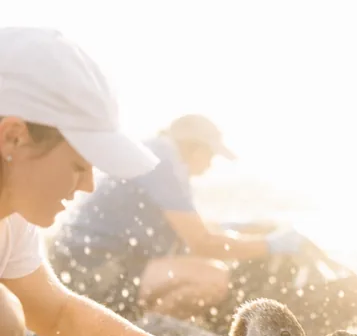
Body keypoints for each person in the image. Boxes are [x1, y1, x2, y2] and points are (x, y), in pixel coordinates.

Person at [0, 26, 241, 336]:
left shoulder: (11, 216)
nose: (89, 184)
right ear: (13, 135)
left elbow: (58, 311)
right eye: (77, 164)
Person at [51, 113, 310, 321]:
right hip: (92, 267)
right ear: (196, 149)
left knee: (199, 266)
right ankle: (147, 333)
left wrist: (245, 229)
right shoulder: (164, 160)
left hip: (81, 261)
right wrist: (272, 245)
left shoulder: (155, 151)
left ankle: (143, 322)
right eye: (210, 156)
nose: (210, 165)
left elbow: (192, 228)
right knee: (215, 279)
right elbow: (202, 242)